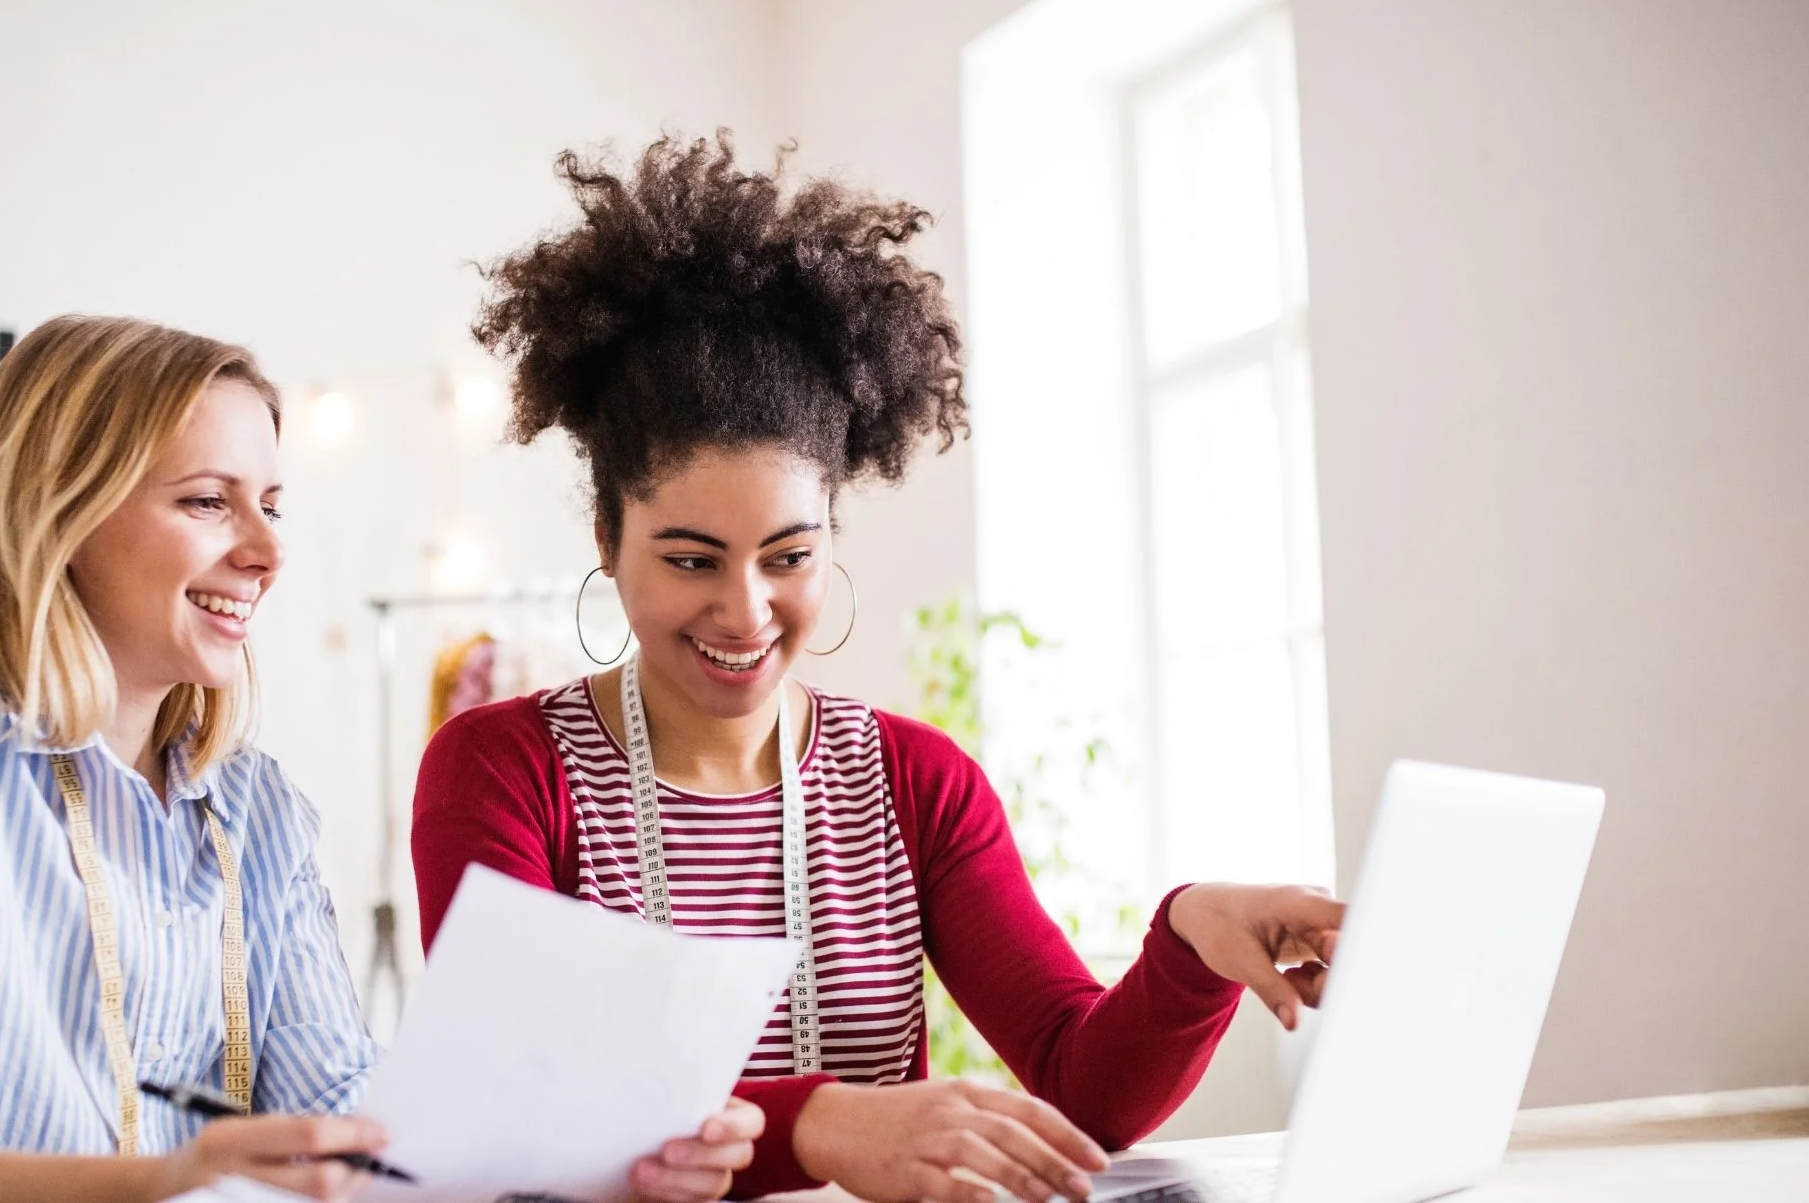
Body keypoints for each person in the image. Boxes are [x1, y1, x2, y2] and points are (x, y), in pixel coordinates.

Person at [412, 134, 1346, 1203]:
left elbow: (1078, 1089)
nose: (745, 610)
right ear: (603, 534)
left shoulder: (912, 782)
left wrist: (1187, 945)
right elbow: (528, 1102)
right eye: (688, 559)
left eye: (789, 556)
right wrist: (815, 1128)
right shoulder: (499, 770)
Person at [0, 315, 756, 1203]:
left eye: (271, 504)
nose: (266, 552)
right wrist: (167, 1183)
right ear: (60, 511)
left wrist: (604, 1164)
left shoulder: (253, 809)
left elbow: (344, 1122)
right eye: (206, 501)